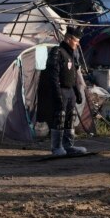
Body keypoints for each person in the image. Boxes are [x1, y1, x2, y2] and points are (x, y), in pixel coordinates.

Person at [46, 26, 87, 156]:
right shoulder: (57, 52)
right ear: (69, 39)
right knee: (60, 117)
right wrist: (56, 93)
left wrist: (77, 91)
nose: (78, 43)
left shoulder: (71, 54)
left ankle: (68, 145)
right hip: (61, 90)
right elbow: (53, 75)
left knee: (70, 117)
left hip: (70, 91)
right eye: (76, 40)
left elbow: (73, 75)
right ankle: (56, 147)